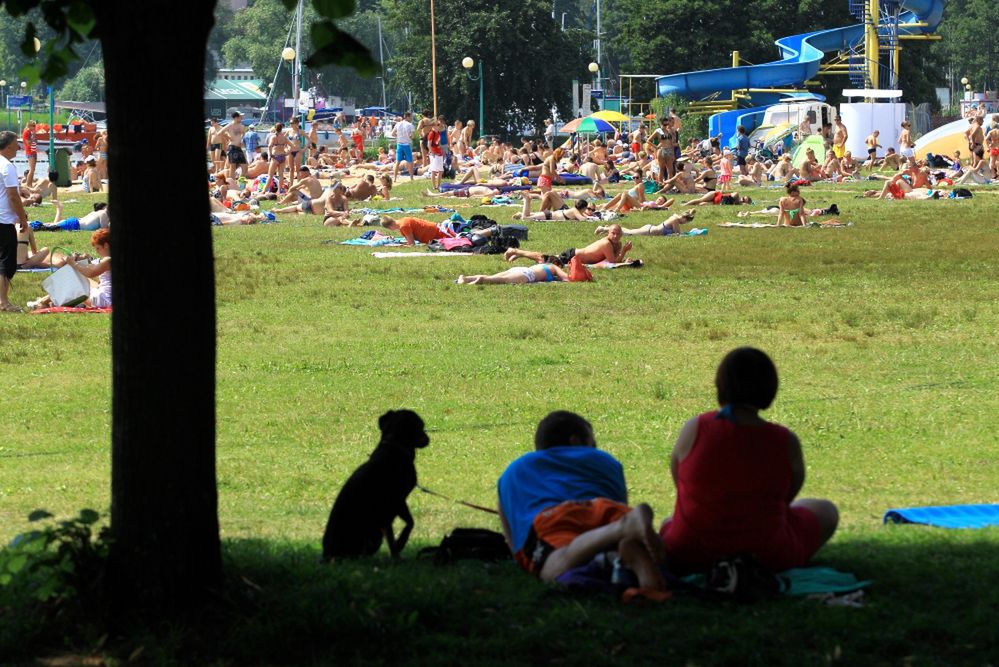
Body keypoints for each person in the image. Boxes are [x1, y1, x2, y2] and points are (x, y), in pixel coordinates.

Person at [659, 347, 839, 574]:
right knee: (826, 510)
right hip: (767, 556)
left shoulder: (695, 428)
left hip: (688, 554)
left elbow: (680, 479)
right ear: (770, 387)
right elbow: (787, 496)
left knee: (668, 521)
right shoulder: (785, 441)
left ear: (720, 384)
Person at [497, 410, 666, 590]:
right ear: (575, 440)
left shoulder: (514, 471)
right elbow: (618, 499)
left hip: (555, 518)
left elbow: (513, 536)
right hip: (606, 508)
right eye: (593, 443)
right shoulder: (605, 460)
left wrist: (522, 558)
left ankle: (621, 529)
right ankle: (631, 556)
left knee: (555, 565)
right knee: (618, 544)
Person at [27, 228, 112, 311]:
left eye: (98, 248)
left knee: (75, 282)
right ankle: (48, 301)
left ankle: (42, 302)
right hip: (107, 296)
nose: (97, 251)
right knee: (84, 280)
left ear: (106, 245)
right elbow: (93, 267)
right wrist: (84, 259)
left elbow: (90, 272)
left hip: (104, 300)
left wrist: (73, 263)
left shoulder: (108, 260)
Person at [504, 224, 632, 267]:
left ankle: (518, 255)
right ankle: (515, 251)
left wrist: (623, 258)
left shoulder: (617, 243)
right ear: (608, 233)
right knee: (542, 259)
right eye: (612, 233)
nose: (615, 236)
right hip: (573, 256)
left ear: (621, 234)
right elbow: (612, 262)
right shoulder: (606, 243)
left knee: (547, 259)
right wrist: (624, 252)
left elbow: (614, 259)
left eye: (617, 234)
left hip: (574, 255)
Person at [0, 131, 29, 312]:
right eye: (16, 144)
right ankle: (3, 302)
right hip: (3, 221)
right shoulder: (7, 166)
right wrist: (22, 217)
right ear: (9, 146)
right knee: (6, 263)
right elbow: (12, 195)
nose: (19, 147)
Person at [594, 209, 696, 236]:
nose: (684, 224)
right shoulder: (675, 220)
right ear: (685, 219)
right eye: (685, 222)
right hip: (649, 231)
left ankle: (607, 229)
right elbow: (678, 234)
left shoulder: (675, 217)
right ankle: (603, 228)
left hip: (651, 229)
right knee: (627, 233)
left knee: (628, 232)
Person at [456, 262, 569, 285]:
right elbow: (566, 277)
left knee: (496, 276)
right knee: (503, 280)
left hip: (520, 269)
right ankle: (481, 280)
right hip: (528, 275)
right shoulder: (553, 266)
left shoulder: (540, 265)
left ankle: (465, 278)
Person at [512, 195, 596, 221]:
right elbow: (582, 219)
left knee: (527, 216)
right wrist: (590, 218)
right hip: (548, 215)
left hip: (549, 214)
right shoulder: (575, 211)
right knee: (525, 218)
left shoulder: (574, 210)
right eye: (587, 208)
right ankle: (527, 200)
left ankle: (520, 213)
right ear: (584, 208)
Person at [380, 215, 447, 246]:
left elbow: (411, 244)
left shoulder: (403, 226)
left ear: (389, 227)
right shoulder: (403, 220)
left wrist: (400, 246)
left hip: (439, 234)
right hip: (437, 230)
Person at [223, 111, 248, 182]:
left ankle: (240, 182)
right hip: (232, 147)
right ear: (236, 118)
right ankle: (232, 183)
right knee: (232, 168)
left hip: (238, 148)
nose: (242, 118)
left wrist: (241, 139)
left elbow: (243, 134)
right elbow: (220, 132)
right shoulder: (230, 125)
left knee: (245, 167)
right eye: (240, 117)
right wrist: (228, 137)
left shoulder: (242, 126)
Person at [267, 122, 291, 193]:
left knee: (270, 175)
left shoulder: (274, 137)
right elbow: (292, 147)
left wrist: (271, 154)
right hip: (282, 156)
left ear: (275, 128)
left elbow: (269, 146)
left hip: (275, 156)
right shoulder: (284, 137)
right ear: (281, 128)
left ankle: (264, 190)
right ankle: (279, 190)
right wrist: (287, 153)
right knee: (281, 175)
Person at [393, 111, 416, 182]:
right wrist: (409, 137)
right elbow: (413, 136)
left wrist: (399, 136)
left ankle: (395, 178)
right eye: (411, 117)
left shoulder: (398, 124)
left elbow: (393, 133)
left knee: (397, 162)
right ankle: (411, 178)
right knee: (410, 162)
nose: (412, 118)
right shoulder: (410, 125)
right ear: (407, 117)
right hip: (407, 144)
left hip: (399, 144)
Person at [427, 119, 445, 190]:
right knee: (434, 170)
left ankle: (439, 185)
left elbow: (438, 142)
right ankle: (434, 186)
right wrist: (432, 152)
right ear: (433, 126)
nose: (439, 126)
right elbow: (429, 144)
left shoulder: (438, 133)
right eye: (438, 125)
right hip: (434, 154)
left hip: (439, 153)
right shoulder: (432, 133)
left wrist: (441, 149)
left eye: (439, 125)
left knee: (440, 170)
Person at [21, 120, 38, 187]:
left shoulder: (29, 132)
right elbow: (28, 143)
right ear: (29, 126)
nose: (34, 127)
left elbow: (32, 142)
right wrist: (33, 136)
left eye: (35, 126)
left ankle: (30, 184)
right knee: (32, 170)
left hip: (32, 152)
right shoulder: (27, 132)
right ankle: (29, 184)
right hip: (30, 152)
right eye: (33, 126)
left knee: (33, 169)